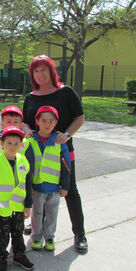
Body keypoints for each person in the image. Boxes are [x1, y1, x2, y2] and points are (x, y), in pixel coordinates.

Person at [22, 55, 87, 253]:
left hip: (61, 152)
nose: (40, 74)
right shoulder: (31, 97)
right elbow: (25, 121)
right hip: (37, 154)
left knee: (69, 190)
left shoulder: (65, 92)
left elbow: (79, 117)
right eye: (36, 71)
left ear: (51, 71)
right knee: (38, 191)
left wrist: (67, 134)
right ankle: (37, 228)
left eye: (44, 70)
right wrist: (26, 129)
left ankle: (80, 233)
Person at [0, 126, 34, 271]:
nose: (13, 147)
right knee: (2, 235)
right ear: (2, 144)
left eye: (16, 143)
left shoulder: (23, 161)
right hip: (1, 208)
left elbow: (27, 184)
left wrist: (28, 206)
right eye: (9, 143)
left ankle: (19, 255)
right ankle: (2, 258)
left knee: (18, 232)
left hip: (19, 207)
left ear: (21, 145)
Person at [25, 106, 71, 252]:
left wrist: (65, 185)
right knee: (37, 213)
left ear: (56, 123)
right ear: (37, 121)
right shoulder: (30, 140)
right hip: (37, 186)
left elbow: (66, 165)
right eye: (43, 120)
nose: (47, 124)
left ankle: (49, 236)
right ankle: (36, 237)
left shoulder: (59, 141)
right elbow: (25, 164)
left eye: (51, 121)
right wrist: (28, 184)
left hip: (54, 186)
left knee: (52, 212)